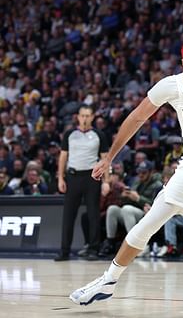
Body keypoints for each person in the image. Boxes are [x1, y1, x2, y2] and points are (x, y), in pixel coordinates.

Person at [69, 38, 183, 308]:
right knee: (149, 222)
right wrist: (110, 157)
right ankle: (108, 280)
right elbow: (136, 118)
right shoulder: (172, 85)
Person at [54, 104, 110, 261]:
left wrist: (107, 181)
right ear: (78, 117)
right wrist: (60, 177)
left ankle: (93, 249)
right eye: (82, 115)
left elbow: (105, 159)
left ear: (92, 117)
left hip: (92, 178)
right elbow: (63, 157)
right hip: (73, 176)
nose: (85, 118)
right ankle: (64, 251)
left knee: (93, 214)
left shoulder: (99, 134)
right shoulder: (69, 134)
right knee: (68, 215)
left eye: (88, 115)